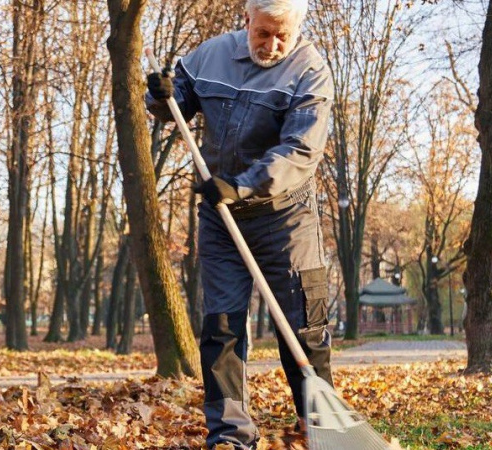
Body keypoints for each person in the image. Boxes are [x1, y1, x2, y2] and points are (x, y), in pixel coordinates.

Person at [145, 0, 333, 448]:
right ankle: (230, 435)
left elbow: (301, 151)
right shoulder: (209, 55)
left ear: (297, 29)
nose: (272, 44)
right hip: (220, 218)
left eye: (282, 35)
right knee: (222, 327)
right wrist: (160, 93)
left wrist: (242, 186)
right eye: (263, 32)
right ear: (246, 20)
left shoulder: (310, 71)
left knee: (303, 325)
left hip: (286, 217)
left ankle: (322, 427)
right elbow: (174, 106)